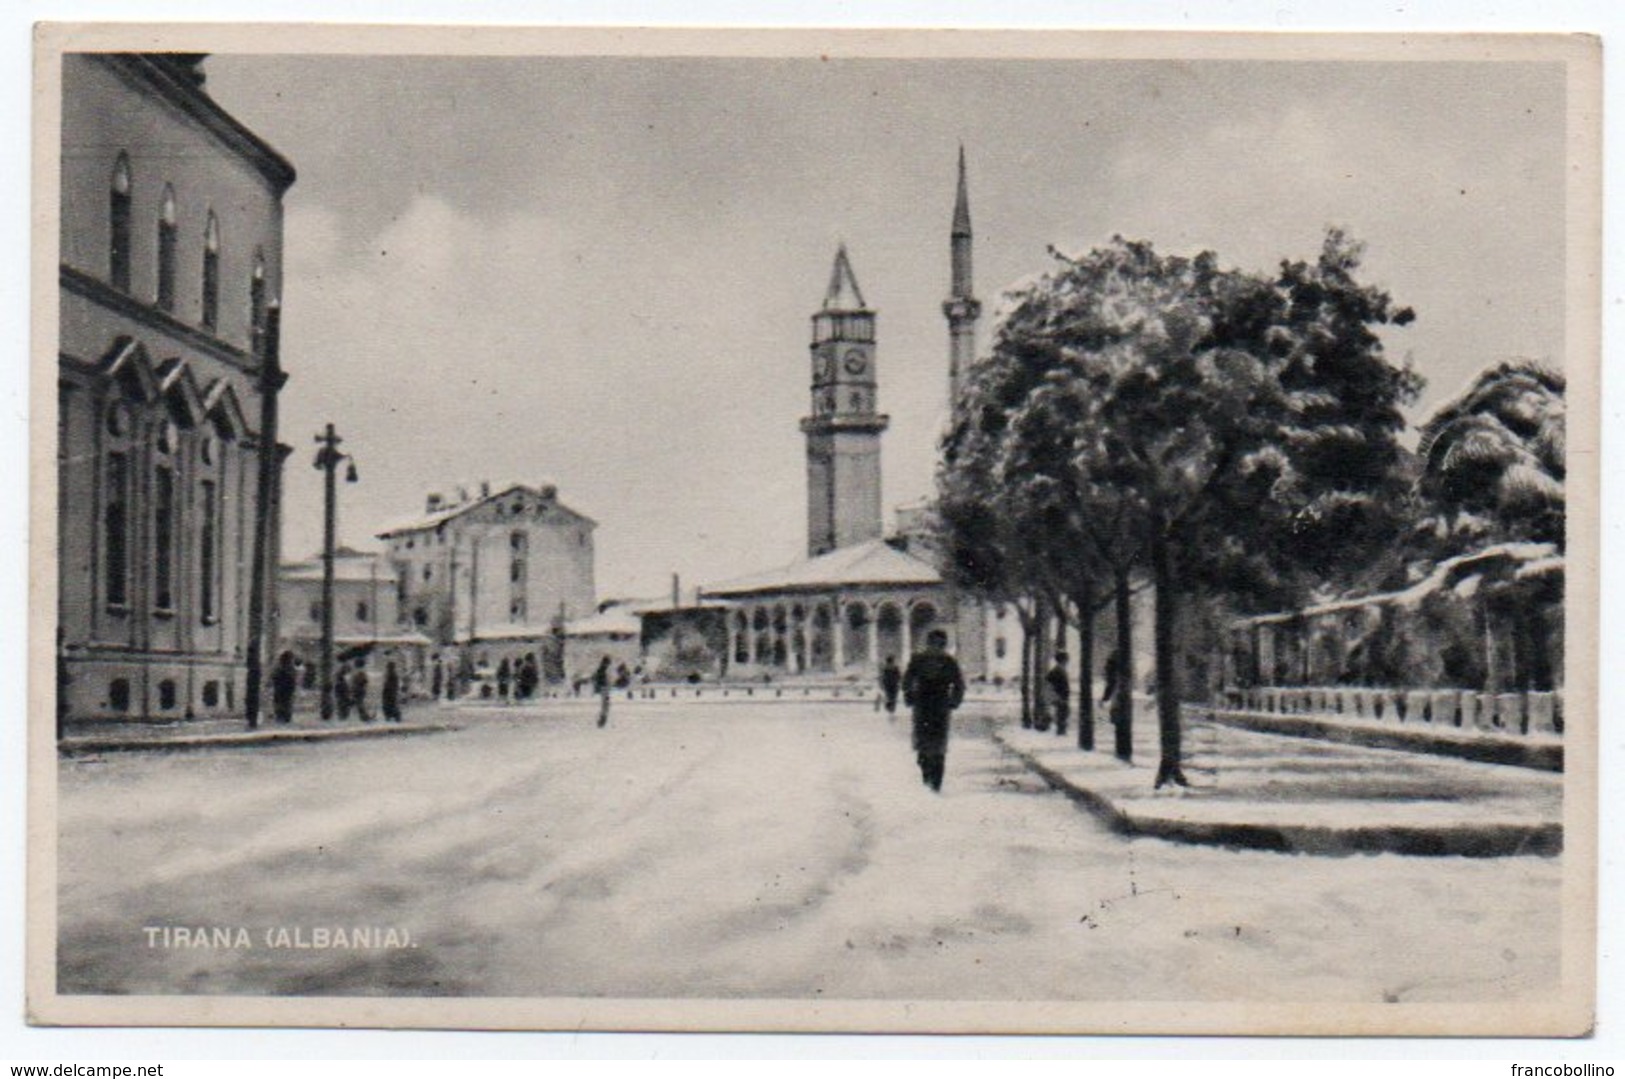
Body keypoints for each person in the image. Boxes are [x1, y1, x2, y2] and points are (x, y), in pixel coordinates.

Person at [902, 630, 965, 792]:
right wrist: (954, 702)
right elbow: (959, 685)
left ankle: (929, 777)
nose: (937, 647)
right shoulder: (947, 661)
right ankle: (935, 781)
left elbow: (907, 681)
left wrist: (909, 698)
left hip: (925, 705)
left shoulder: (920, 659)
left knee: (926, 742)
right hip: (938, 706)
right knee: (936, 744)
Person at [1046, 651, 1071, 737]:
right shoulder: (1057, 671)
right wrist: (1057, 697)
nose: (1068, 661)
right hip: (1060, 697)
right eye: (1067, 659)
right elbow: (1050, 685)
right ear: (1063, 660)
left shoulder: (1059, 670)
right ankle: (1060, 733)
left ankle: (1061, 732)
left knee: (1063, 714)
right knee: (1062, 714)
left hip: (1061, 697)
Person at [271, 650, 298, 725]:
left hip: (280, 690)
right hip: (286, 690)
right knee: (285, 704)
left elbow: (274, 677)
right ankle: (284, 718)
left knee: (281, 705)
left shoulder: (279, 667)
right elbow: (292, 679)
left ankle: (281, 717)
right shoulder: (289, 668)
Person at [592, 655, 613, 728]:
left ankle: (602, 720)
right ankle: (602, 720)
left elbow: (596, 678)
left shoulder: (601, 669)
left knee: (606, 705)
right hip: (604, 688)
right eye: (608, 663)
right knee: (605, 705)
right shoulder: (602, 670)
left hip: (604, 688)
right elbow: (600, 680)